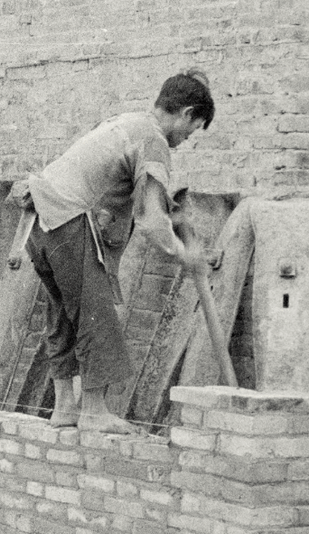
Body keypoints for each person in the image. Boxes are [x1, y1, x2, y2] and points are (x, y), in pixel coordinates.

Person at [23, 70, 215, 433]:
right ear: (187, 113)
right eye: (190, 132)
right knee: (97, 316)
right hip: (68, 220)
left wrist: (170, 209)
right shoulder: (153, 139)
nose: (184, 140)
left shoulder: (125, 123)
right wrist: (182, 253)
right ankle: (94, 412)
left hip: (39, 221)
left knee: (64, 316)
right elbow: (151, 220)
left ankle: (65, 408)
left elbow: (132, 191)